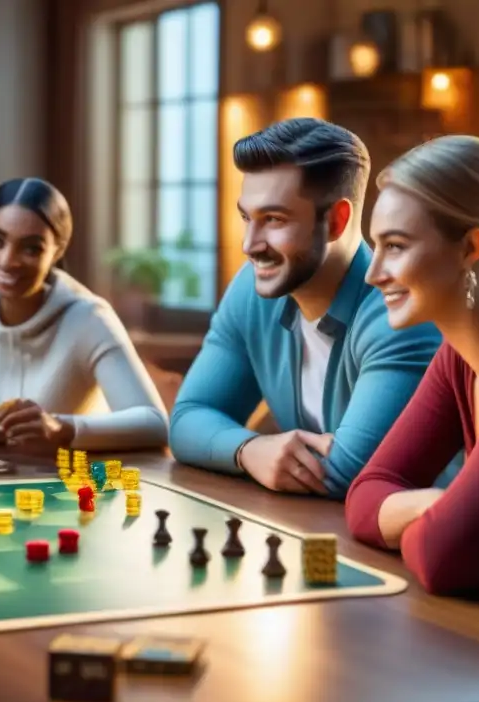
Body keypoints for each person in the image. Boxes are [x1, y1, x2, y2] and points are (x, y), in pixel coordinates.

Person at [169, 118, 447, 499]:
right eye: (247, 218)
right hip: (320, 532)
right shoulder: (252, 292)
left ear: (336, 221)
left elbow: (349, 474)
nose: (250, 244)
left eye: (274, 220)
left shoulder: (399, 314)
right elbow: (187, 419)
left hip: (421, 550)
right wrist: (248, 450)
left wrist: (244, 448)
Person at [347, 135, 479, 596]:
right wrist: (436, 506)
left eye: (395, 246)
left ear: (470, 247)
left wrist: (436, 521)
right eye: (375, 246)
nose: (373, 273)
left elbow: (444, 559)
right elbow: (364, 496)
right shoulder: (460, 358)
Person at [0, 177, 168, 452]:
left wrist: (61, 429)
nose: (8, 261)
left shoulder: (89, 318)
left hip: (64, 488)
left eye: (31, 248)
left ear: (58, 251)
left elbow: (155, 423)